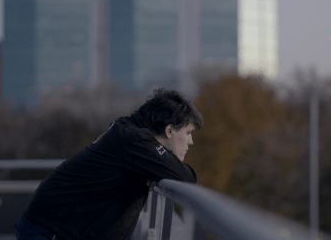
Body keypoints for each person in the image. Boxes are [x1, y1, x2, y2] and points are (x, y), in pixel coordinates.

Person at [14, 88, 203, 240]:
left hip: (49, 227)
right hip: (50, 231)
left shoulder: (129, 132)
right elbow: (186, 178)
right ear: (169, 130)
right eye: (188, 132)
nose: (191, 141)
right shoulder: (136, 141)